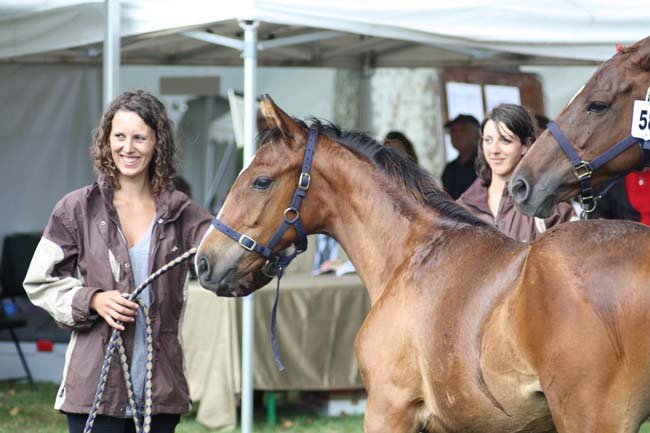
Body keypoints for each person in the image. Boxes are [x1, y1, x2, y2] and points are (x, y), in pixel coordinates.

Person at [23, 90, 212, 433]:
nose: (128, 147)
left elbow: (229, 264)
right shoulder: (77, 208)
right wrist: (92, 299)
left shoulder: (183, 213)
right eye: (120, 136)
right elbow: (39, 281)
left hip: (159, 390)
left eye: (140, 137)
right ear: (106, 140)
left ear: (158, 142)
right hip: (94, 388)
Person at [457, 104, 575, 242]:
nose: (494, 150)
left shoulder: (550, 211)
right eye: (488, 140)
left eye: (505, 140)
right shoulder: (461, 210)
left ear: (526, 145)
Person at [441, 114, 481, 199]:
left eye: (462, 130)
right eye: (453, 131)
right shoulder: (450, 169)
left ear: (478, 135)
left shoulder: (489, 165)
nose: (457, 135)